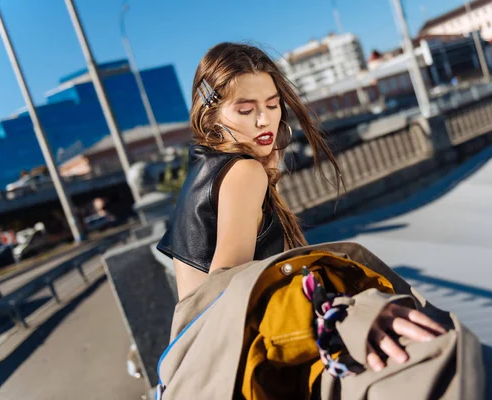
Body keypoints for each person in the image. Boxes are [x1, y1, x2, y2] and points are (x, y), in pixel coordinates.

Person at [156, 43, 446, 376]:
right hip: (227, 364)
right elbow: (229, 287)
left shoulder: (204, 169)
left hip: (198, 363)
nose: (265, 120)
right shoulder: (243, 172)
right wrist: (344, 317)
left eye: (272, 104)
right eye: (245, 110)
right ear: (212, 114)